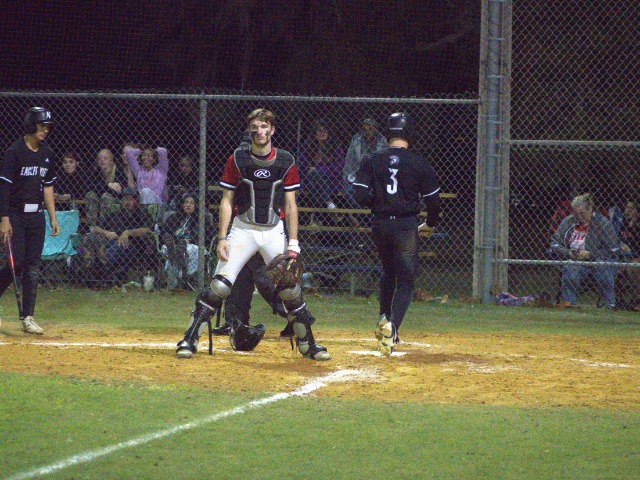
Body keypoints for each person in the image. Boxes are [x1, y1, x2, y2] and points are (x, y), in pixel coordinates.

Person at [175, 108, 330, 360]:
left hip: (273, 231)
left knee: (290, 289)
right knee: (219, 286)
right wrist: (222, 238)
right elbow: (227, 200)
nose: (260, 131)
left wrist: (293, 243)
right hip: (243, 229)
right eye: (255, 127)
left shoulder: (285, 160)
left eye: (264, 126)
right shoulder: (237, 159)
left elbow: (291, 205)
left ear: (272, 130)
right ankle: (189, 339)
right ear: (250, 131)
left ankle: (308, 344)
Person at [353, 112, 441, 355]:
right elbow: (434, 202)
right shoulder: (419, 162)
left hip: (380, 225)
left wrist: (379, 203)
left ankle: (383, 316)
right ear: (410, 134)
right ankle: (393, 327)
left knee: (388, 271)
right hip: (405, 226)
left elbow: (359, 194)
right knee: (406, 280)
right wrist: (430, 223)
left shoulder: (372, 159)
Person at [0, 107, 59, 334]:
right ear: (31, 125)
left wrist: (53, 217)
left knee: (33, 266)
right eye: (41, 126)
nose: (45, 130)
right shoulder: (14, 152)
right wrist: (4, 220)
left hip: (37, 216)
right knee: (17, 263)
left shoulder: (47, 154)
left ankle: (28, 317)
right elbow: (4, 188)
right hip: (16, 214)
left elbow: (48, 187)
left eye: (47, 126)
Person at [550, 193, 620, 309]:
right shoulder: (568, 221)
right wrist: (568, 253)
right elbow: (555, 243)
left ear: (590, 209)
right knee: (570, 271)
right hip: (575, 259)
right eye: (576, 213)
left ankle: (610, 305)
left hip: (598, 259)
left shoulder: (603, 223)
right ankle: (569, 305)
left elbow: (613, 249)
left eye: (582, 213)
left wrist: (590, 254)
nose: (579, 217)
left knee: (603, 270)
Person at [80, 186, 154, 286]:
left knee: (118, 245)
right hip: (107, 243)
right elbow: (95, 228)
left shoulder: (142, 213)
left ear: (137, 200)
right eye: (125, 199)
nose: (127, 202)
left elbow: (148, 230)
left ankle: (98, 263)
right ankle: (90, 259)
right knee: (89, 237)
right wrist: (106, 232)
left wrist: (128, 232)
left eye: (131, 199)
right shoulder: (114, 215)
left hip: (130, 245)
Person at [160, 192, 214, 290]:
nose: (188, 205)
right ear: (182, 204)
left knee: (187, 249)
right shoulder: (174, 217)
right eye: (186, 202)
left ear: (196, 205)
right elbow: (164, 232)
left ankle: (176, 258)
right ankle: (183, 270)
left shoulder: (202, 219)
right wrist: (177, 240)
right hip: (175, 243)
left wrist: (191, 240)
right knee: (171, 246)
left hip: (193, 244)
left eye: (192, 203)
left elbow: (209, 235)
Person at [298, 121, 345, 212]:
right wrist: (313, 170)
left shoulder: (335, 148)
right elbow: (302, 166)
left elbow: (338, 168)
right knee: (314, 176)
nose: (322, 133)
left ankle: (317, 214)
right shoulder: (307, 146)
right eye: (319, 130)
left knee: (316, 177)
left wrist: (319, 169)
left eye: (325, 131)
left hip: (330, 180)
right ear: (314, 133)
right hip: (310, 180)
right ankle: (329, 204)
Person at [343, 117, 388, 208]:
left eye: (371, 127)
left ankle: (369, 212)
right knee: (349, 191)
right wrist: (348, 177)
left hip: (376, 177)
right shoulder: (357, 140)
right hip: (358, 175)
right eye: (366, 127)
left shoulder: (382, 141)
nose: (368, 130)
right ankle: (362, 212)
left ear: (376, 128)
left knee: (377, 192)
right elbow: (349, 161)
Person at [85, 148, 129, 226]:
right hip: (99, 198)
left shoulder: (118, 170)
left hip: (116, 199)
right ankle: (92, 226)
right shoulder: (96, 172)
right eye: (99, 158)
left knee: (106, 196)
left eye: (105, 158)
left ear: (111, 160)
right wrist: (109, 185)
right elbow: (91, 187)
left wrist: (102, 187)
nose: (102, 160)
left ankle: (103, 227)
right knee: (90, 194)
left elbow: (116, 191)